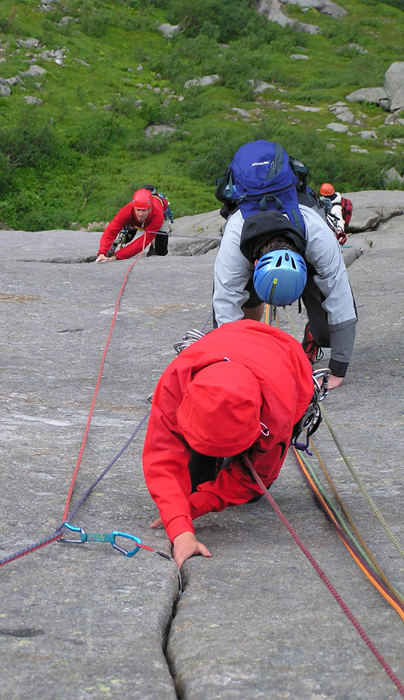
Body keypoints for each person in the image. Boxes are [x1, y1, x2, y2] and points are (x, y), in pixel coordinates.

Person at [143, 320, 315, 568]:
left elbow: (256, 476)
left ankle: (230, 453)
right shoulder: (177, 379)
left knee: (251, 494)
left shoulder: (279, 412)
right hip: (227, 341)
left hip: (285, 358)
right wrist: (180, 524)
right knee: (193, 484)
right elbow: (162, 457)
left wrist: (192, 507)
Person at [213, 204, 357, 390]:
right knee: (241, 327)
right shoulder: (234, 244)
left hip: (308, 247)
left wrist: (337, 371)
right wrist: (234, 367)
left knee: (328, 333)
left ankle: (314, 331)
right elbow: (225, 310)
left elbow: (341, 301)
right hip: (247, 251)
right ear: (256, 264)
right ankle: (248, 352)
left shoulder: (319, 238)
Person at [95, 188, 169, 262]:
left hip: (156, 218)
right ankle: (114, 244)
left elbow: (142, 242)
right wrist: (102, 252)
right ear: (134, 207)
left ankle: (153, 246)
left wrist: (116, 256)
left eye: (143, 210)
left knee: (161, 251)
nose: (140, 214)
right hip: (135, 221)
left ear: (150, 209)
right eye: (138, 210)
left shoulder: (157, 216)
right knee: (128, 237)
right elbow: (111, 229)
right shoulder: (127, 210)